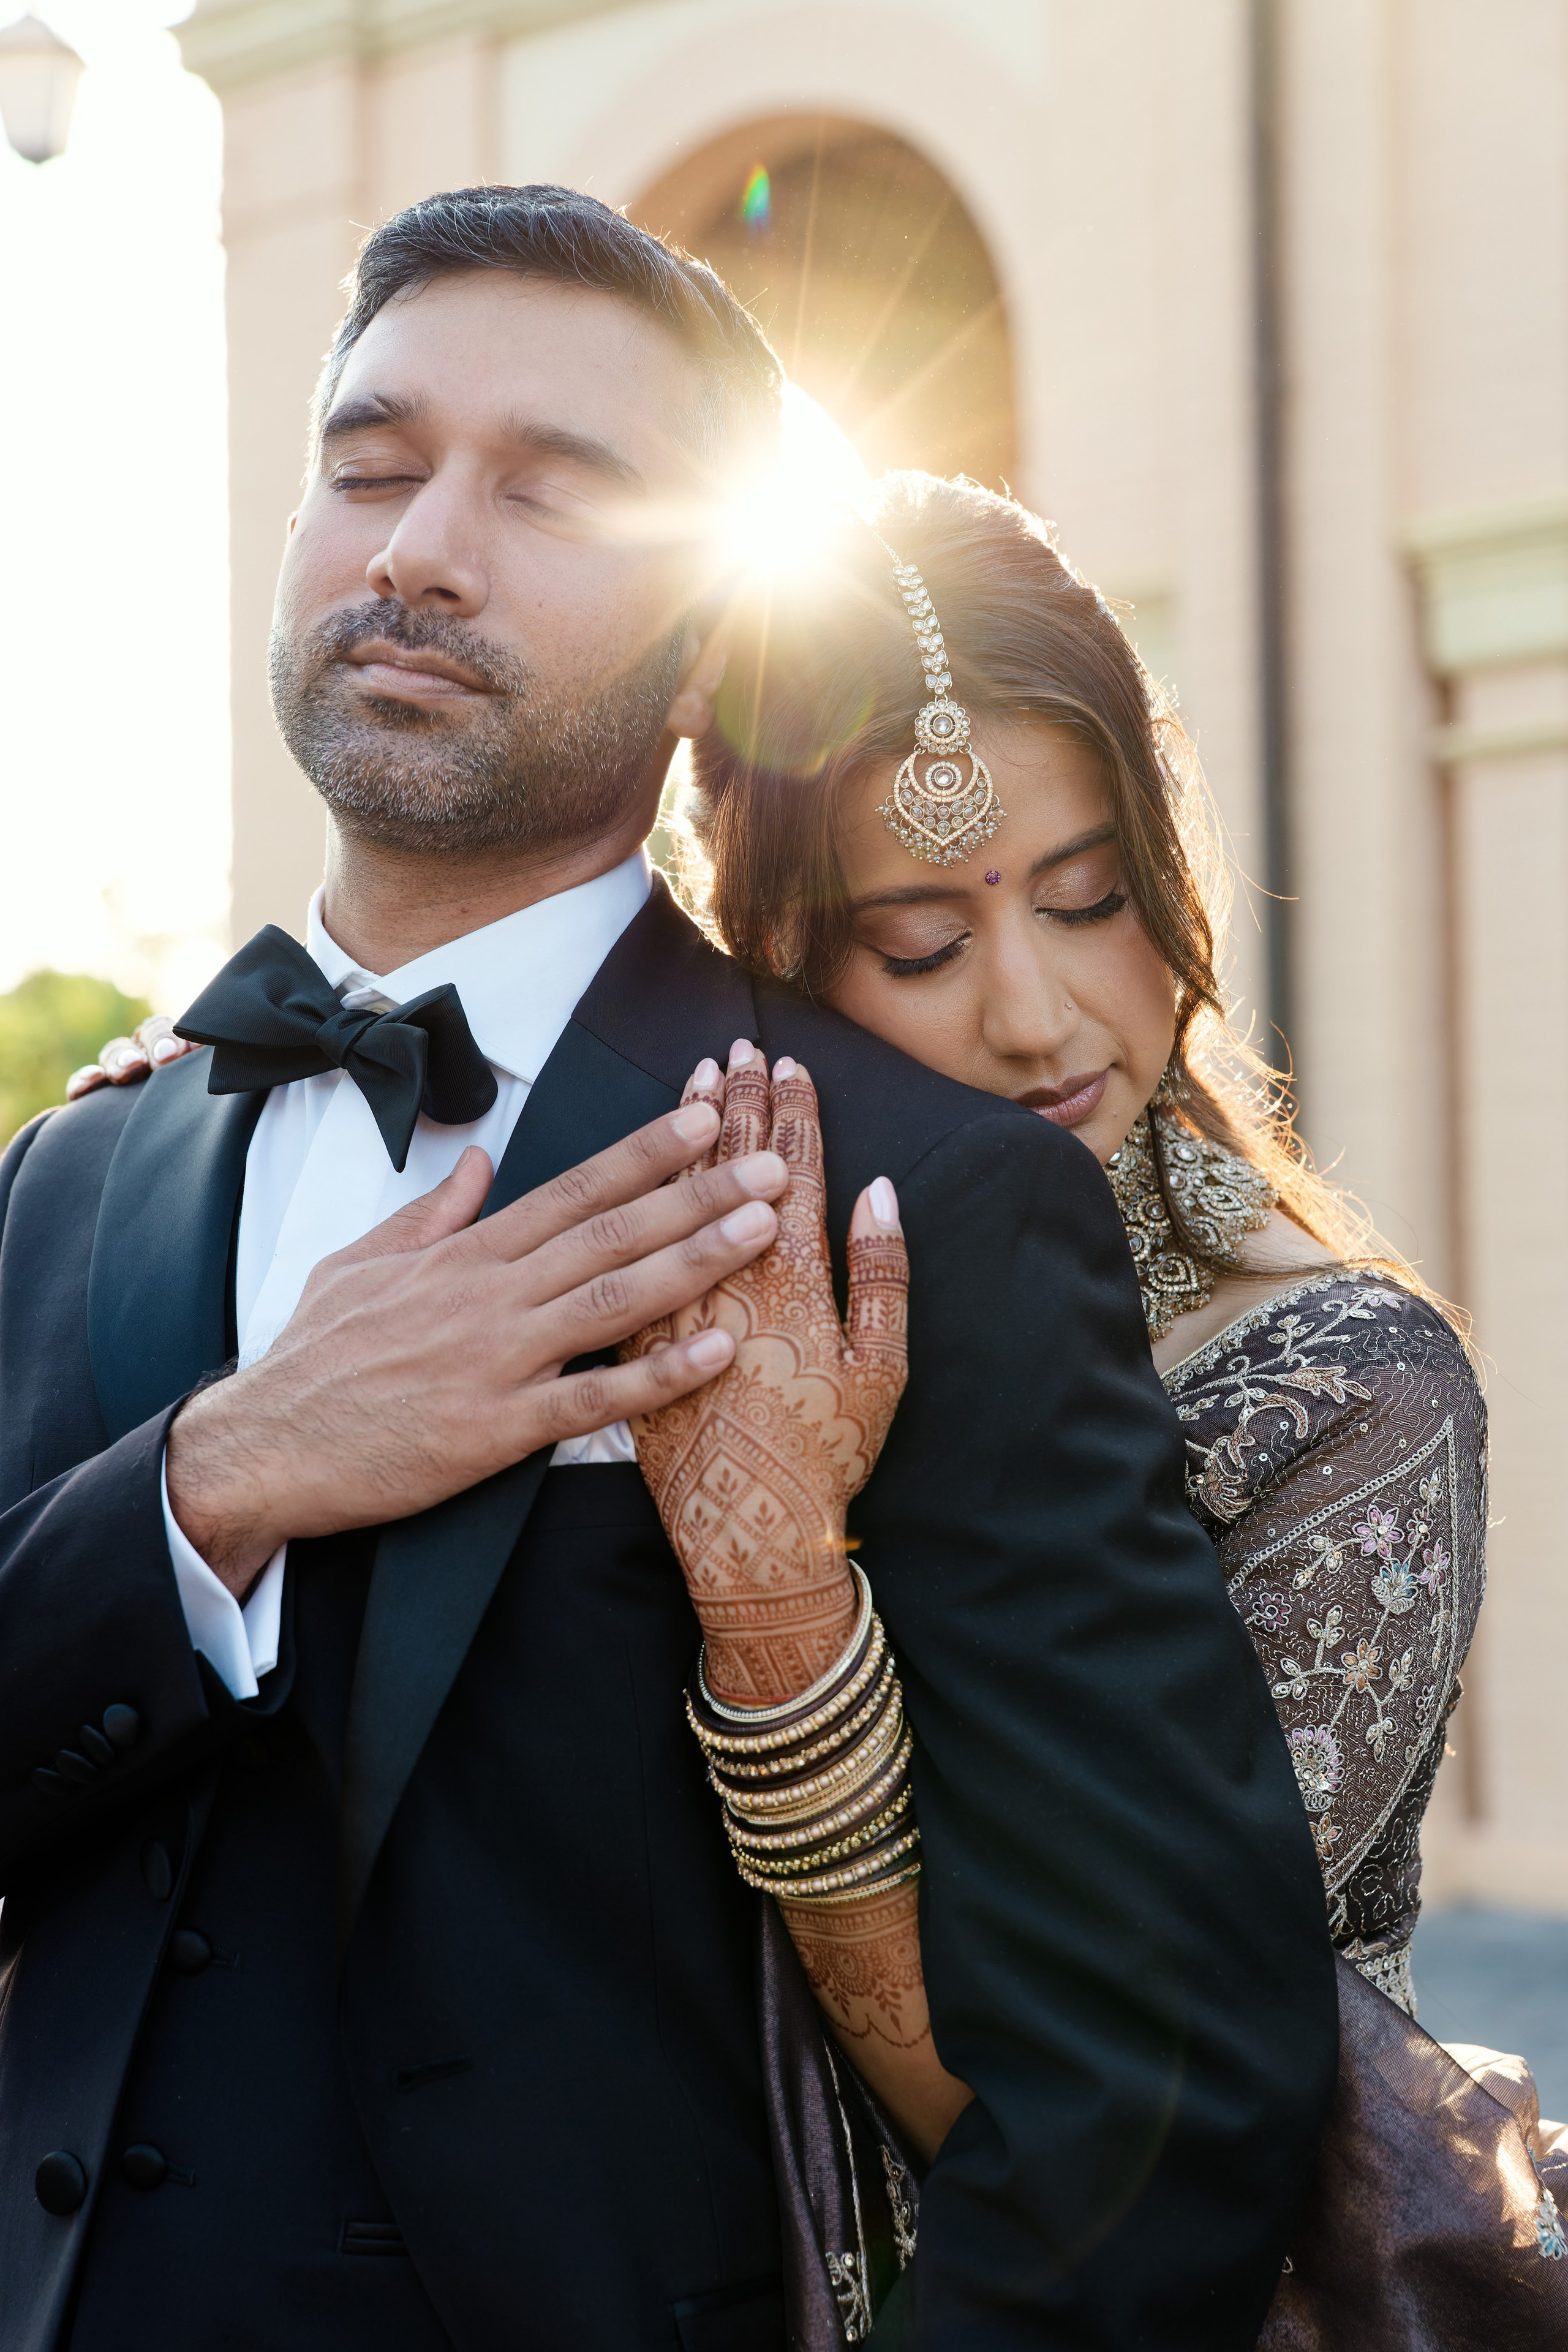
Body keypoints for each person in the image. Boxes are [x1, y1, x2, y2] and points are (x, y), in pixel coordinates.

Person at [0, 189, 1335, 2351]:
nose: (420, 546)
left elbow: (1160, 2098)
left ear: (708, 641)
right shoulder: (74, 1175)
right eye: (370, 464)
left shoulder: (913, 1193)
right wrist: (220, 1478)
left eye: (553, 490)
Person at [637, 469, 1567, 2342]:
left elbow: (1108, 2110)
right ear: (786, 956)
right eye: (924, 945)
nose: (1042, 1015)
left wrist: (786, 1624)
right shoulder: (693, 1298)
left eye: (1091, 901)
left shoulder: (1341, 1398)